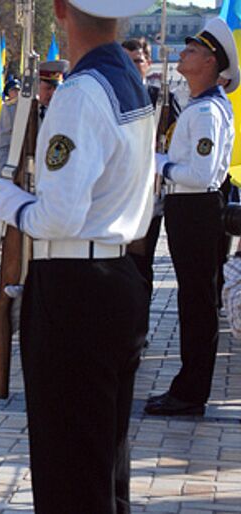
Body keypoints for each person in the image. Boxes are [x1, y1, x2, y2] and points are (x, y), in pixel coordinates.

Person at [0, 0, 156, 511]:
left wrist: (10, 202)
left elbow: (58, 217)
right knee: (104, 459)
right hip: (117, 272)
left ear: (61, 9)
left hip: (73, 285)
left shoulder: (80, 92)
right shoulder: (128, 77)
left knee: (68, 462)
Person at [146, 18, 239, 417]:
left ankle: (190, 393)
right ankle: (188, 387)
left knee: (197, 305)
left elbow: (200, 174)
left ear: (209, 62)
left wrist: (159, 164)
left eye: (192, 50)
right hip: (192, 209)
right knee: (193, 303)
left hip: (197, 208)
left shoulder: (205, 113)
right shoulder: (201, 106)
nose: (183, 54)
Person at [123, 37, 181, 340]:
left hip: (147, 197)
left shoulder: (161, 98)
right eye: (126, 60)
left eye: (137, 60)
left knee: (140, 266)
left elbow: (177, 139)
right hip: (113, 198)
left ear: (148, 63)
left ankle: (138, 328)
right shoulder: (110, 95)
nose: (132, 67)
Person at [0, 77, 22, 176]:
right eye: (13, 90)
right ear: (8, 93)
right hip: (11, 152)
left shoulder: (27, 105)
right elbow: (4, 139)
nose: (17, 92)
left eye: (18, 89)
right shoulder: (8, 108)